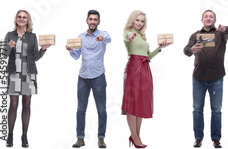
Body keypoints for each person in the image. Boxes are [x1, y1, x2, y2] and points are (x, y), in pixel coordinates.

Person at [122, 10, 170, 148]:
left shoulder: (142, 36)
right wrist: (130, 35)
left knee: (141, 102)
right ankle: (135, 137)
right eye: (137, 20)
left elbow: (147, 56)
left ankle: (136, 136)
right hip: (133, 68)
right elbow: (126, 36)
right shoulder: (128, 32)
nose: (139, 23)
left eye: (142, 21)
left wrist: (159, 49)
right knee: (132, 103)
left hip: (144, 67)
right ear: (132, 20)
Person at [3, 9, 51, 148]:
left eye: (24, 17)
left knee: (26, 105)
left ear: (27, 19)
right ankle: (10, 134)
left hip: (29, 73)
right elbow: (4, 54)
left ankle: (24, 135)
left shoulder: (32, 36)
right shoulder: (9, 35)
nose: (22, 19)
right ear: (16, 19)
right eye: (19, 17)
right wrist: (9, 47)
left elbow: (35, 57)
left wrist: (43, 49)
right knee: (13, 105)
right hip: (14, 73)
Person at [183, 10, 228, 148]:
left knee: (216, 109)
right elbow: (186, 50)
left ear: (215, 20)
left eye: (211, 17)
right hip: (198, 78)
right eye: (206, 17)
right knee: (197, 109)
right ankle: (198, 138)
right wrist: (191, 50)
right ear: (202, 20)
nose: (208, 19)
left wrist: (224, 29)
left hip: (216, 77)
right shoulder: (195, 35)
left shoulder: (220, 34)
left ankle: (216, 138)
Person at [66, 9, 111, 148]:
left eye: (95, 19)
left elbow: (109, 39)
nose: (92, 22)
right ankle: (80, 138)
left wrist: (101, 39)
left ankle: (101, 138)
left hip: (98, 77)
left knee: (101, 110)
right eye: (90, 19)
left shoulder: (103, 34)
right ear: (87, 21)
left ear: (98, 22)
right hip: (83, 78)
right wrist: (71, 50)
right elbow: (76, 56)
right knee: (80, 110)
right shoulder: (81, 36)